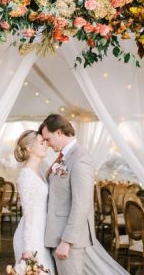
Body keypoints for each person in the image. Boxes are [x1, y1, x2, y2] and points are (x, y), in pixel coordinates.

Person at [39, 114, 96, 275]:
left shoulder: (80, 159)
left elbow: (82, 204)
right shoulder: (64, 157)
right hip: (55, 234)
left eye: (48, 139)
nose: (47, 144)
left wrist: (67, 241)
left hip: (67, 239)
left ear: (58, 132)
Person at [12, 130, 55, 273]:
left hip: (41, 233)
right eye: (41, 143)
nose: (46, 145)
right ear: (29, 148)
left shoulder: (39, 172)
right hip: (31, 237)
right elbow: (28, 214)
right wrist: (27, 248)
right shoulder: (26, 175)